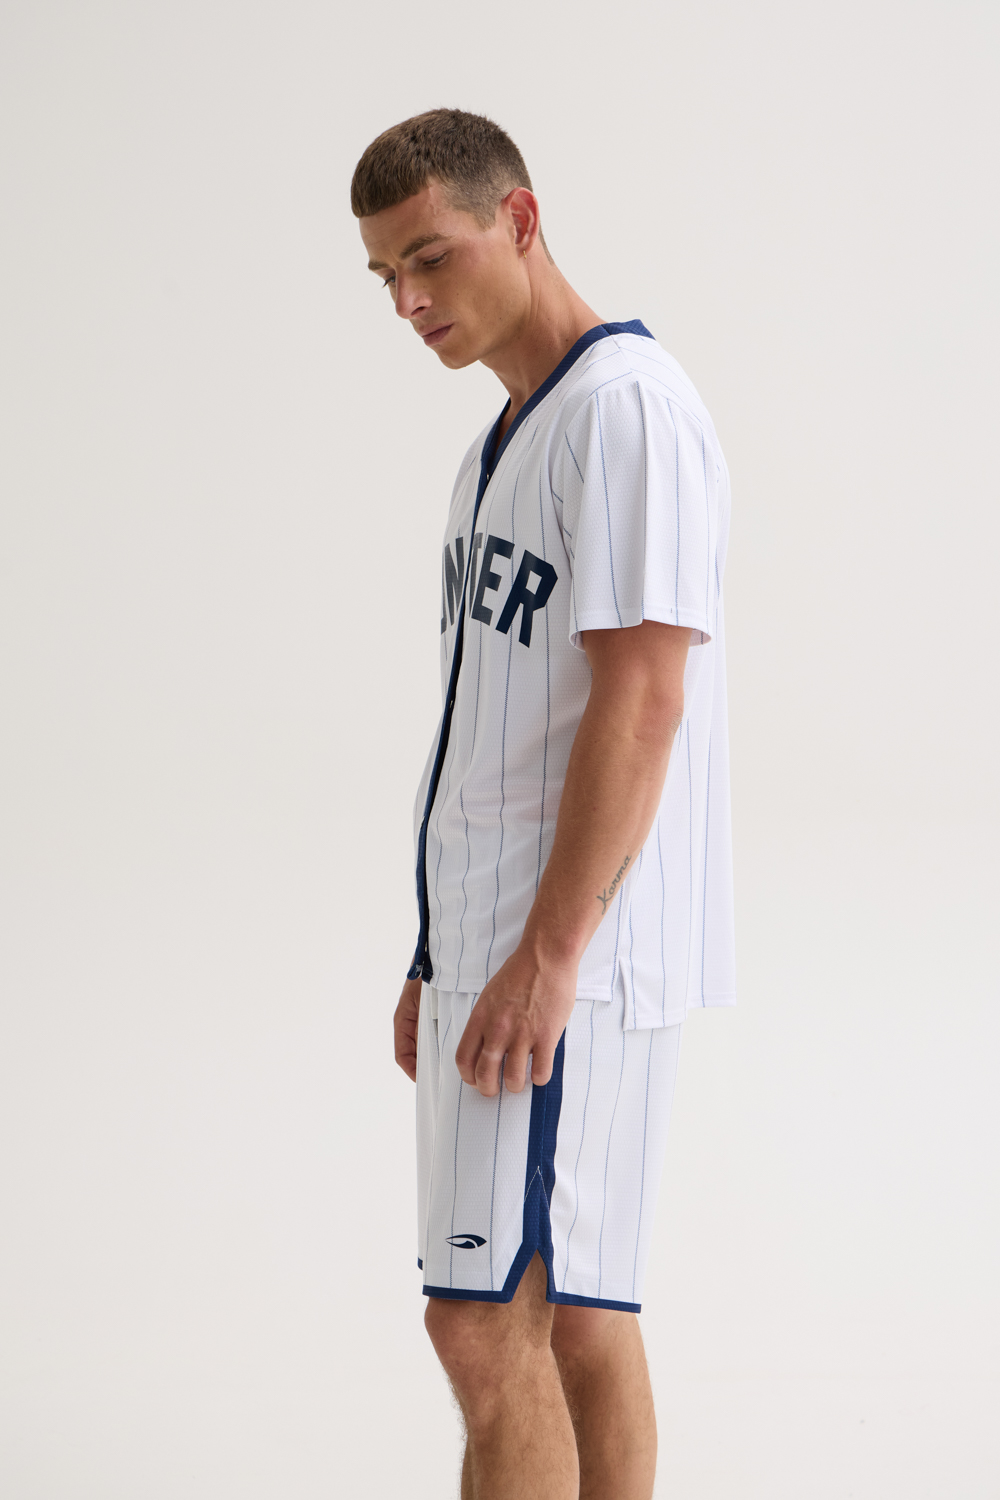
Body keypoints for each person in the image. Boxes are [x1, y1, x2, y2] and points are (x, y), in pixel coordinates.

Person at [351, 108, 736, 1500]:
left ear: (519, 219)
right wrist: (435, 951)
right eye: (386, 276)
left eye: (431, 258)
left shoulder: (623, 409)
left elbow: (644, 697)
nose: (409, 302)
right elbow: (494, 728)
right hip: (499, 943)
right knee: (571, 1311)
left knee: (484, 1320)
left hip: (568, 953)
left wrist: (548, 956)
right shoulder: (501, 443)